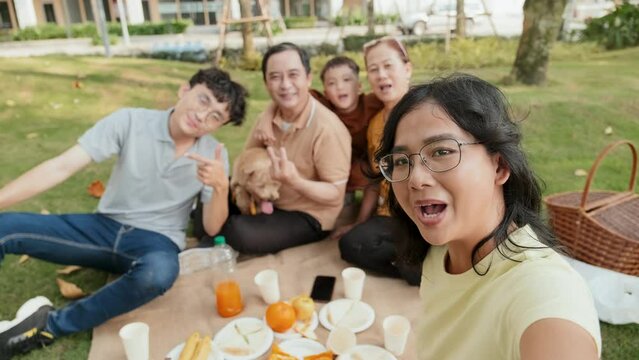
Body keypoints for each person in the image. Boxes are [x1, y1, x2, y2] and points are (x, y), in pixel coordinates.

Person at [0, 67, 247, 358]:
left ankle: (50, 325)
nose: (204, 116)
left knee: (159, 272)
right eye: (203, 100)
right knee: (5, 227)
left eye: (216, 116)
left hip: (156, 241)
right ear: (184, 90)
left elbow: (213, 226)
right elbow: (62, 166)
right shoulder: (129, 120)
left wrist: (220, 188)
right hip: (102, 228)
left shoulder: (214, 155)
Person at [375, 73, 601, 359]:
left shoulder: (544, 288)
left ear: (500, 166)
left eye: (442, 151)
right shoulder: (440, 251)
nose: (415, 179)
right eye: (401, 161)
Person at [202, 42, 351, 254]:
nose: (285, 84)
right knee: (209, 201)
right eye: (275, 77)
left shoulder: (328, 129)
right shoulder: (268, 117)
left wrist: (294, 181)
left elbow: (335, 195)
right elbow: (246, 159)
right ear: (266, 83)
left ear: (308, 78)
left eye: (293, 75)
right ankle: (216, 230)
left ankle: (220, 234)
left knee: (239, 232)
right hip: (266, 197)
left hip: (308, 214)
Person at [254, 55, 383, 231]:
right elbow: (283, 99)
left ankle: (361, 218)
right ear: (325, 91)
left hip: (363, 162)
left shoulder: (371, 104)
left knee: (370, 173)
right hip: (332, 163)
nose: (339, 87)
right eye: (331, 83)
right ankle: (346, 202)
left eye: (347, 80)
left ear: (359, 86)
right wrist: (266, 117)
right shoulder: (321, 103)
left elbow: (394, 98)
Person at [338, 36, 421, 285]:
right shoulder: (375, 125)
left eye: (388, 66)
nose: (381, 75)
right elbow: (375, 181)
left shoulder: (425, 114)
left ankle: (419, 263)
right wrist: (358, 222)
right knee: (350, 244)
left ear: (407, 69)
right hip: (389, 216)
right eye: (373, 69)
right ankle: (415, 266)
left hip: (423, 211)